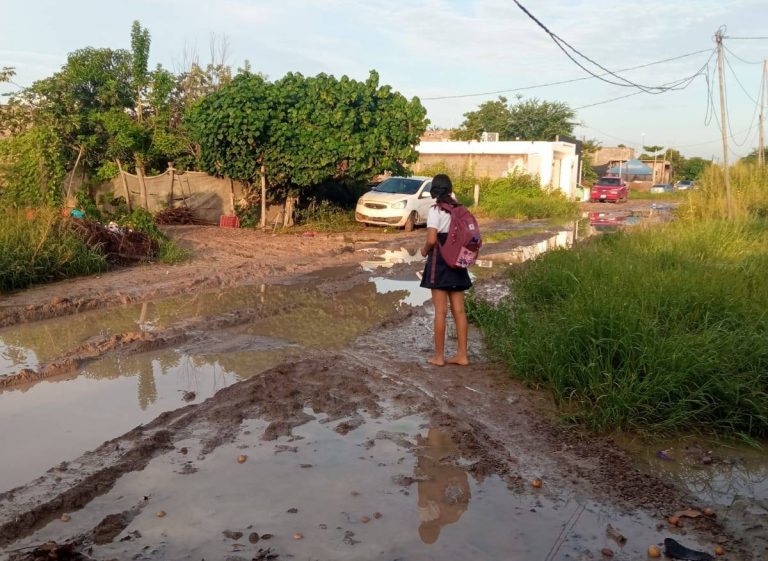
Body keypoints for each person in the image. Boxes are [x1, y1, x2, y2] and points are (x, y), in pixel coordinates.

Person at [419, 174, 471, 366]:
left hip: (440, 263)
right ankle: (462, 355)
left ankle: (439, 357)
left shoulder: (436, 211)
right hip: (458, 261)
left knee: (440, 312)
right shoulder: (460, 209)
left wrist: (424, 250)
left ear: (434, 191)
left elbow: (432, 240)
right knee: (459, 311)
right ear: (450, 189)